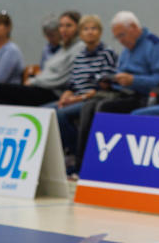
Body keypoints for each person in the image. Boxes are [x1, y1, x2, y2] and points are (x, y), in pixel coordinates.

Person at [65, 11, 159, 167]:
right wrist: (111, 82)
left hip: (144, 97)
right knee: (88, 106)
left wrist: (134, 80)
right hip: (123, 93)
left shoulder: (156, 46)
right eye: (117, 37)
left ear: (134, 27)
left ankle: (101, 162)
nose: (121, 41)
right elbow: (119, 76)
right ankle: (81, 163)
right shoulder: (126, 51)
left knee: (104, 107)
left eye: (122, 35)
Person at [50, 14, 118, 172]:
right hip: (75, 97)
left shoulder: (107, 53)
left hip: (93, 98)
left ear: (100, 32)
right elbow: (72, 84)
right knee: (46, 111)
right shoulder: (80, 56)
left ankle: (76, 153)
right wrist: (66, 95)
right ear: (80, 34)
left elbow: (104, 85)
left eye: (94, 28)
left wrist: (76, 99)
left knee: (60, 115)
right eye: (86, 29)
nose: (90, 32)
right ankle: (54, 158)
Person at [0, 11, 83, 106]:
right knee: (2, 92)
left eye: (68, 26)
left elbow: (62, 78)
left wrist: (34, 81)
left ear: (78, 27)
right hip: (41, 87)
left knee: (0, 90)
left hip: (53, 92)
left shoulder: (78, 47)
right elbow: (46, 72)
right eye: (61, 26)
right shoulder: (63, 48)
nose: (64, 29)